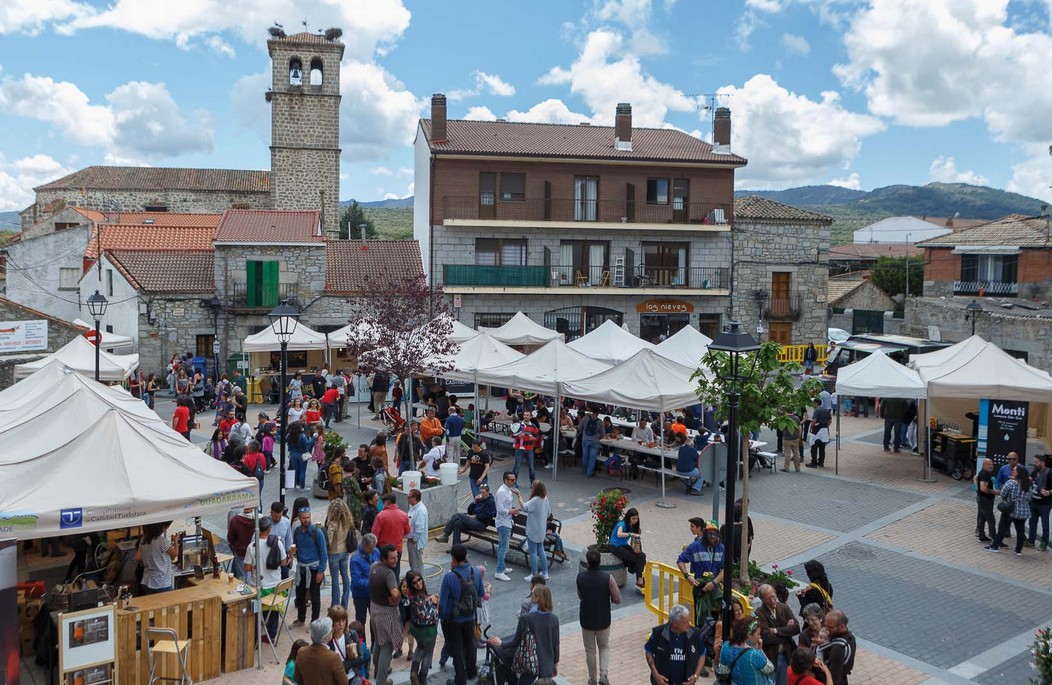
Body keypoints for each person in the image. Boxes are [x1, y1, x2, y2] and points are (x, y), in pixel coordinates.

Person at [487, 584, 559, 685]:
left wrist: (500, 643)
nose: (530, 596)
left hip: (530, 662)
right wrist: (555, 663)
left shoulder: (525, 619)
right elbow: (556, 644)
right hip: (547, 663)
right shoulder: (554, 619)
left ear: (538, 598)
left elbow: (515, 641)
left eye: (533, 594)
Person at [439, 543, 485, 685]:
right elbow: (481, 593)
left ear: (453, 558)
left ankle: (460, 678)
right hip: (471, 616)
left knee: (457, 649)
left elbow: (444, 603)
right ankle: (472, 672)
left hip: (455, 619)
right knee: (471, 645)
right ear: (466, 556)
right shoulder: (476, 572)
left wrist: (442, 618)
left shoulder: (449, 577)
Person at [577, 548, 621, 685]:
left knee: (590, 651)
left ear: (588, 563)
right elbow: (617, 598)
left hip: (586, 619)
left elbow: (580, 595)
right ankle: (604, 675)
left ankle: (592, 678)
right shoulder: (608, 578)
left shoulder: (580, 577)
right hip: (603, 619)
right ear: (600, 562)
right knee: (604, 646)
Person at [244, 516, 287, 642]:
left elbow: (246, 568)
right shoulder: (278, 543)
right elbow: (283, 563)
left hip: (259, 590)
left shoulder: (252, 547)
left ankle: (255, 635)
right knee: (273, 610)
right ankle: (271, 634)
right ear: (269, 529)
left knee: (256, 611)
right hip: (276, 589)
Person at [643, 604, 706, 685]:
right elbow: (648, 652)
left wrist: (696, 675)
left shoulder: (695, 634)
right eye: (685, 623)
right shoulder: (658, 633)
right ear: (674, 623)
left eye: (688, 621)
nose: (689, 624)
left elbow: (702, 654)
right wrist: (656, 675)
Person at [677, 520, 724, 624]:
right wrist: (687, 577)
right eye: (710, 534)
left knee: (716, 620)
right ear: (705, 534)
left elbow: (725, 569)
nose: (713, 537)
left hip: (715, 589)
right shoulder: (695, 546)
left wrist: (714, 582)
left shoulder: (721, 548)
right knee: (701, 620)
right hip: (700, 589)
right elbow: (680, 561)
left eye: (715, 534)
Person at [370, 544, 404, 685]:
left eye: (396, 557)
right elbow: (395, 594)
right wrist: (398, 598)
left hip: (374, 610)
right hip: (387, 613)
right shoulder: (389, 574)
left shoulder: (373, 567)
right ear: (383, 559)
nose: (395, 560)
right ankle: (381, 680)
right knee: (387, 645)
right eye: (392, 558)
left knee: (379, 641)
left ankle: (378, 671)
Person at [756, 583, 799, 685]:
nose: (771, 600)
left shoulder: (784, 608)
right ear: (762, 599)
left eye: (773, 596)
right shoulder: (759, 613)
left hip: (786, 653)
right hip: (771, 655)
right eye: (767, 599)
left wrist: (776, 631)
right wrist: (787, 632)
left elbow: (796, 628)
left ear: (775, 593)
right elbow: (766, 637)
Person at [292, 505, 329, 626]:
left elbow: (324, 553)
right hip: (302, 568)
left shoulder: (316, 532)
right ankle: (301, 618)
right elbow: (295, 547)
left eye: (308, 517)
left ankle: (314, 621)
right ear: (299, 518)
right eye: (303, 518)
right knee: (300, 595)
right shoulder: (297, 532)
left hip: (314, 569)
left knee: (315, 596)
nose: (306, 520)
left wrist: (321, 571)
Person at [986, 463, 1033, 555]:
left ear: (1018, 473)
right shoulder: (1027, 484)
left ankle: (994, 546)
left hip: (1010, 509)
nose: (1013, 471)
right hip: (1023, 511)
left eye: (1015, 470)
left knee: (1002, 528)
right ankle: (1018, 550)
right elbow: (1030, 498)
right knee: (1020, 530)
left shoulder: (1011, 482)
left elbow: (1002, 494)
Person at [404, 569, 440, 685]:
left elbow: (421, 606)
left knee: (419, 648)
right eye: (415, 582)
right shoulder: (418, 598)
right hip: (428, 630)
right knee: (428, 653)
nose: (419, 583)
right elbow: (426, 616)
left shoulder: (411, 595)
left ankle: (413, 672)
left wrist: (429, 599)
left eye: (419, 580)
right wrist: (434, 604)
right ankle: (422, 677)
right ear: (411, 585)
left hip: (416, 629)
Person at [718, 617, 775, 684]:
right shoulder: (754, 654)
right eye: (758, 634)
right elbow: (770, 668)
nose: (760, 637)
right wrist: (760, 649)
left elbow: (723, 671)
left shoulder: (726, 647)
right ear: (749, 636)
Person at [295, 617, 347, 685]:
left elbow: (297, 678)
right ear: (326, 637)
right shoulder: (333, 657)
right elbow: (344, 682)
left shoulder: (301, 652)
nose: (333, 632)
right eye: (331, 630)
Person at [517, 480, 552, 580]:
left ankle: (534, 574)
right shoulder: (545, 499)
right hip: (541, 530)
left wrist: (519, 496)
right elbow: (549, 513)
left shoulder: (535, 500)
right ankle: (545, 573)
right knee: (541, 550)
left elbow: (524, 507)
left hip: (533, 530)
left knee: (533, 552)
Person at [325, 498, 355, 609]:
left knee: (335, 579)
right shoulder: (347, 522)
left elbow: (329, 540)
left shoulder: (333, 523)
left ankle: (335, 604)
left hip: (334, 553)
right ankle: (345, 603)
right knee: (345, 577)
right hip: (345, 552)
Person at [372, 493, 410, 577]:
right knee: (395, 573)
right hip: (398, 550)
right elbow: (407, 530)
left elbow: (374, 536)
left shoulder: (380, 516)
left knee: (384, 574)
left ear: (387, 502)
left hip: (384, 551)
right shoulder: (404, 515)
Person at [609, 507, 647, 590]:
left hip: (623, 545)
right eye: (633, 518)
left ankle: (639, 579)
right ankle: (639, 581)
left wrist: (637, 548)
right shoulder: (622, 524)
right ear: (629, 517)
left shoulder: (632, 526)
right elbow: (619, 534)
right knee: (634, 558)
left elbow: (634, 540)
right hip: (615, 546)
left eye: (636, 518)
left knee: (642, 556)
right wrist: (630, 534)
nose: (635, 521)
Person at [136, 522, 179, 594]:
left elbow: (138, 557)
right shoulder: (161, 541)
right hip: (161, 583)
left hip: (146, 581)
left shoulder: (143, 540)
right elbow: (175, 554)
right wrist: (176, 542)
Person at [327, 605, 366, 684]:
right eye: (338, 621)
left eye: (343, 620)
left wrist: (344, 665)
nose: (341, 624)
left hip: (353, 676)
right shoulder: (328, 639)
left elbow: (361, 658)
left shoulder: (352, 634)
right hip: (336, 680)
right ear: (332, 622)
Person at [494, 472, 520, 582]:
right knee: (504, 547)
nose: (513, 482)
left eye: (514, 479)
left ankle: (502, 567)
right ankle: (499, 571)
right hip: (503, 522)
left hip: (507, 521)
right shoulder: (501, 492)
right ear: (505, 480)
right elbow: (500, 509)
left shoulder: (508, 490)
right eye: (511, 480)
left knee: (503, 546)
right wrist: (511, 511)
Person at [350, 533, 380, 625]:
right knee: (360, 620)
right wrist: (372, 582)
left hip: (374, 593)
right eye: (370, 548)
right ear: (363, 546)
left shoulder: (376, 551)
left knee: (375, 620)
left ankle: (375, 639)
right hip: (361, 595)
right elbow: (356, 581)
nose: (372, 551)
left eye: (373, 548)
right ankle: (361, 639)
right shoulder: (355, 559)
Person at [821, 610, 855, 685]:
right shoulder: (851, 637)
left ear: (842, 626)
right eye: (825, 625)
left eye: (830, 627)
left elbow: (834, 678)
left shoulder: (838, 648)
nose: (826, 629)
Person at [1027, 453, 1052, 551]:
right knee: (1032, 522)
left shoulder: (1049, 473)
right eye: (1033, 462)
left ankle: (1044, 543)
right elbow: (1031, 481)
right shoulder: (1034, 471)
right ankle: (1031, 541)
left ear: (1042, 462)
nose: (1034, 464)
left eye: (1036, 462)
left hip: (1045, 504)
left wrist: (1049, 492)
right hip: (1033, 501)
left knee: (1045, 524)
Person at [227, 505, 257, 580]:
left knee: (242, 575)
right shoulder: (258, 519)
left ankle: (244, 588)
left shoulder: (235, 519)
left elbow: (230, 537)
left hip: (240, 551)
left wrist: (236, 546)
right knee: (254, 572)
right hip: (254, 551)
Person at [512, 411, 541, 485]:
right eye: (525, 415)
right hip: (519, 449)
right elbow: (512, 434)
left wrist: (534, 439)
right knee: (517, 466)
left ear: (530, 417)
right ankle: (514, 482)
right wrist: (517, 436)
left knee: (531, 467)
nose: (525, 416)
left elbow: (538, 436)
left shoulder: (533, 426)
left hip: (529, 449)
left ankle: (532, 482)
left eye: (527, 415)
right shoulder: (517, 425)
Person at [406, 488, 429, 575]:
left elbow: (420, 528)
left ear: (414, 498)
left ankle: (421, 583)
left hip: (415, 543)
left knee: (417, 565)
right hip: (412, 541)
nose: (407, 499)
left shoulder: (420, 510)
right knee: (413, 563)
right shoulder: (414, 508)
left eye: (409, 497)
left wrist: (414, 539)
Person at [270, 501, 295, 580]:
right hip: (269, 558)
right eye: (275, 516)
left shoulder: (286, 522)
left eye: (279, 517)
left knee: (284, 582)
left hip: (283, 558)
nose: (277, 519)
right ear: (271, 512)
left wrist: (291, 558)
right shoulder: (265, 523)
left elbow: (289, 542)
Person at [288, 421, 316, 490]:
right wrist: (314, 438)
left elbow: (284, 440)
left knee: (295, 470)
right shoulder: (302, 435)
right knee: (302, 471)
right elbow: (308, 444)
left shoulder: (289, 435)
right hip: (302, 454)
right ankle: (302, 487)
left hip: (293, 454)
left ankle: (294, 486)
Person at [579, 409, 606, 478]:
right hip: (595, 441)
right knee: (592, 457)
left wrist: (584, 433)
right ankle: (589, 472)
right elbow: (603, 434)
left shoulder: (585, 418)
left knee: (585, 455)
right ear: (598, 413)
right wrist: (598, 437)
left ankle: (585, 470)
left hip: (585, 439)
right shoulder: (600, 422)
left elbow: (579, 428)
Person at [805, 403, 831, 469]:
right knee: (822, 448)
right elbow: (830, 421)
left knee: (813, 447)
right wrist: (826, 426)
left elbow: (814, 420)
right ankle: (821, 463)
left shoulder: (817, 410)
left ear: (816, 403)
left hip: (816, 430)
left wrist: (811, 428)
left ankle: (814, 463)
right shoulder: (826, 410)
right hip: (824, 430)